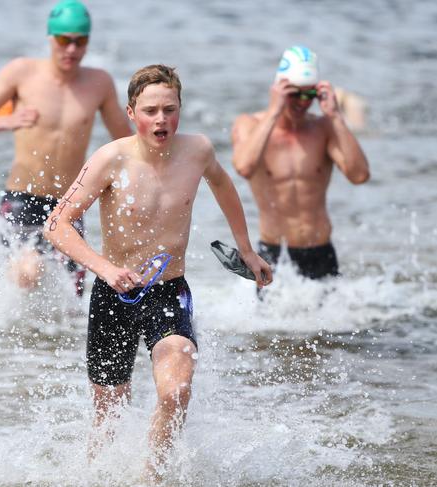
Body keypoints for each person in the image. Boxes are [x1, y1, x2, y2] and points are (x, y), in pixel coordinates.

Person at [44, 64, 272, 478]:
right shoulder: (110, 159)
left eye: (170, 109)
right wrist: (106, 269)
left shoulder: (198, 150)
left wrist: (246, 249)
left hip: (169, 291)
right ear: (131, 113)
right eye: (150, 110)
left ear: (180, 108)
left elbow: (222, 184)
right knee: (109, 413)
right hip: (114, 295)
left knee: (177, 387)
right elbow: (57, 222)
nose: (161, 119)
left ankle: (154, 474)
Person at [0, 0, 132, 294]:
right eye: (65, 40)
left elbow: (125, 142)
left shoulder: (99, 83)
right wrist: (9, 121)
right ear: (51, 38)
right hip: (22, 198)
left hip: (69, 204)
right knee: (28, 272)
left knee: (71, 296)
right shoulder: (22, 72)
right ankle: (11, 332)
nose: (72, 50)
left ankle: (50, 340)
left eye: (80, 41)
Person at [232, 45, 370, 280]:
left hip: (320, 252)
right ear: (278, 90)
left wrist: (335, 117)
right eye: (294, 94)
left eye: (309, 95)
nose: (302, 102)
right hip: (273, 253)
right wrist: (275, 111)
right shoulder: (249, 124)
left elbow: (359, 176)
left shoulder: (324, 128)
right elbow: (244, 167)